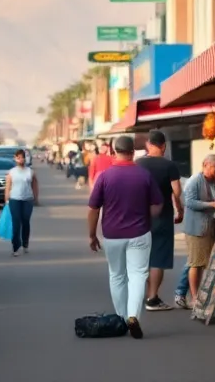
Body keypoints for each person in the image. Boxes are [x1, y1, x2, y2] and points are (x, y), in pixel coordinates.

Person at [86, 134, 163, 339]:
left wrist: (92, 236)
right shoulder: (144, 175)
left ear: (113, 152)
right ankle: (132, 316)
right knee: (138, 275)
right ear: (132, 152)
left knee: (117, 275)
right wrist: (148, 217)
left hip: (112, 235)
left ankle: (121, 318)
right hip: (140, 233)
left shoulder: (104, 176)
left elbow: (93, 209)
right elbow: (157, 204)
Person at [136, 130, 183, 311]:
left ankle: (139, 294)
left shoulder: (137, 164)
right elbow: (176, 191)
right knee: (158, 258)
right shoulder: (169, 165)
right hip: (162, 216)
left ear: (148, 144)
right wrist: (179, 209)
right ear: (163, 146)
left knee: (141, 257)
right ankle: (152, 297)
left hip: (140, 217)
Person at [180, 154, 215, 309]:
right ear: (205, 164)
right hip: (196, 228)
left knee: (205, 262)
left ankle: (202, 295)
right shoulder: (194, 181)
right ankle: (194, 297)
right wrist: (212, 204)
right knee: (195, 263)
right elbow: (190, 202)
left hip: (210, 226)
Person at [5, 149, 39, 255]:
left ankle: (25, 244)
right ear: (15, 158)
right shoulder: (11, 172)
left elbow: (35, 185)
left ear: (25, 158)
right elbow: (7, 187)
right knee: (16, 223)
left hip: (27, 200)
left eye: (22, 157)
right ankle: (15, 247)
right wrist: (6, 200)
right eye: (18, 157)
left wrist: (35, 198)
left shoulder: (30, 172)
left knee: (25, 222)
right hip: (14, 199)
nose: (21, 159)